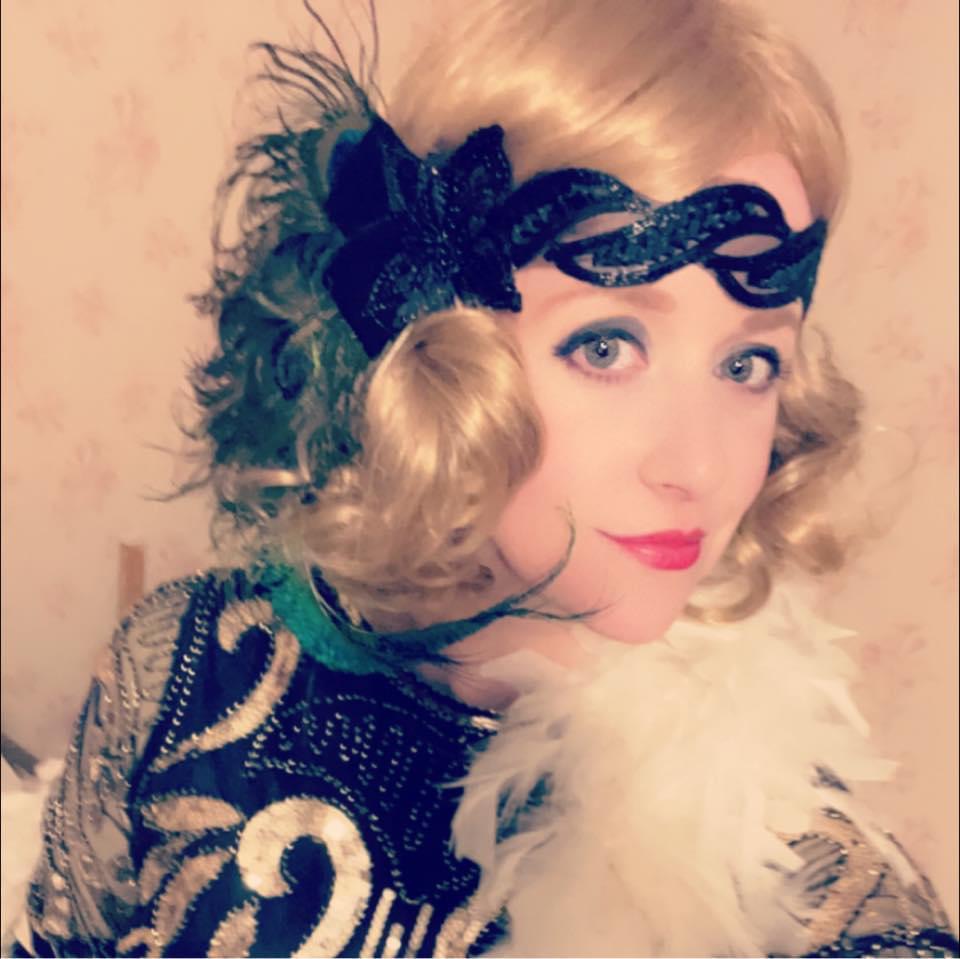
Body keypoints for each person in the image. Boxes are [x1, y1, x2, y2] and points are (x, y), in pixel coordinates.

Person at [6, 0, 958, 956]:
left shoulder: (790, 869)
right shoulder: (182, 664)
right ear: (438, 353)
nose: (700, 466)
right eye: (606, 345)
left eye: (748, 363)